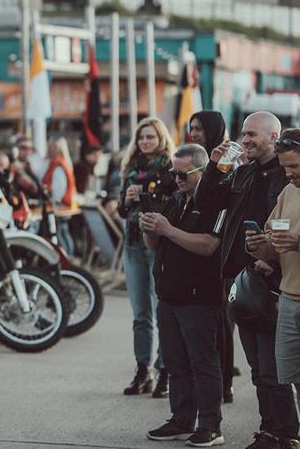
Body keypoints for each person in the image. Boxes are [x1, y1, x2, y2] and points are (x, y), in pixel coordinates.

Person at [195, 111, 300, 449]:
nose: (245, 139)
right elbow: (207, 204)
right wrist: (216, 167)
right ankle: (272, 430)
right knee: (257, 368)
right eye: (243, 133)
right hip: (242, 282)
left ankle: (284, 434)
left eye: (253, 134)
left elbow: (294, 226)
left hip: (274, 282)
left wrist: (276, 263)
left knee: (272, 369)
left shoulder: (288, 178)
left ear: (273, 137)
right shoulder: (243, 172)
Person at [142, 144, 225, 447]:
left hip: (199, 297)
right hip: (169, 296)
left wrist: (167, 230)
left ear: (203, 171)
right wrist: (150, 230)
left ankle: (210, 425)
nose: (176, 179)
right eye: (173, 173)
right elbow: (156, 247)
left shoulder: (214, 202)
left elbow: (208, 246)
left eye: (182, 174)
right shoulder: (175, 200)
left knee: (203, 363)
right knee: (175, 364)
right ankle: (181, 419)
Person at [246, 128, 300, 449]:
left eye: (294, 166)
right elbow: (274, 244)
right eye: (284, 167)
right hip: (289, 301)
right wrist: (258, 246)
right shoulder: (288, 193)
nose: (288, 174)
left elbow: (296, 242)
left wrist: (299, 242)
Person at [118, 117, 177, 398]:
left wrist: (143, 195)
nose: (145, 142)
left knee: (162, 310)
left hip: (157, 245)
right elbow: (120, 208)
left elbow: (175, 202)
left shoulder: (171, 168)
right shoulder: (130, 168)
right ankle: (143, 371)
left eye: (151, 137)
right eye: (141, 137)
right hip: (132, 244)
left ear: (161, 139)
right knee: (140, 314)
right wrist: (127, 200)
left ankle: (165, 370)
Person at [189, 110, 236, 404]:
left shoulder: (228, 157)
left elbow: (215, 202)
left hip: (220, 249)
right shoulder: (193, 157)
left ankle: (225, 382)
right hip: (196, 248)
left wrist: (215, 165)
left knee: (221, 321)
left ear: (214, 130)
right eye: (191, 128)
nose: (194, 133)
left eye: (199, 129)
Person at [42, 137, 77, 255]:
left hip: (61, 205)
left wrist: (54, 202)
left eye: (53, 147)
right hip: (64, 203)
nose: (50, 149)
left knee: (62, 232)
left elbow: (58, 190)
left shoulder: (59, 165)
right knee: (63, 231)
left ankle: (68, 257)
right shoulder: (62, 163)